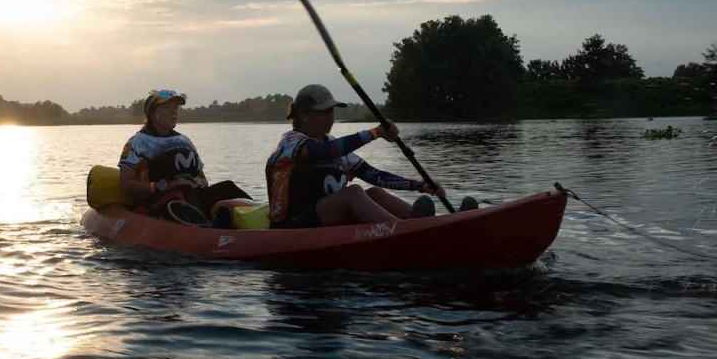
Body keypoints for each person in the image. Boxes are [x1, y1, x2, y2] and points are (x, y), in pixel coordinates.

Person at [265, 84, 477, 229]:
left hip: (323, 220)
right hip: (291, 224)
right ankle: (405, 233)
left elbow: (374, 174)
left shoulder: (332, 144)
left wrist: (419, 185)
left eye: (332, 111)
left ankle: (424, 223)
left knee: (374, 192)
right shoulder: (290, 142)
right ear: (303, 114)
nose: (330, 117)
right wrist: (375, 133)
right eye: (323, 112)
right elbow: (325, 153)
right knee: (354, 193)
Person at [118, 89, 252, 226]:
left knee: (227, 187)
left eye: (175, 108)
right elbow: (124, 184)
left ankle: (265, 218)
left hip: (189, 196)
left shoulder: (184, 141)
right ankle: (207, 230)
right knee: (181, 191)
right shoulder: (136, 143)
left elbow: (203, 178)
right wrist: (164, 186)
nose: (173, 112)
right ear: (152, 113)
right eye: (166, 107)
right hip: (154, 201)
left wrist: (200, 182)